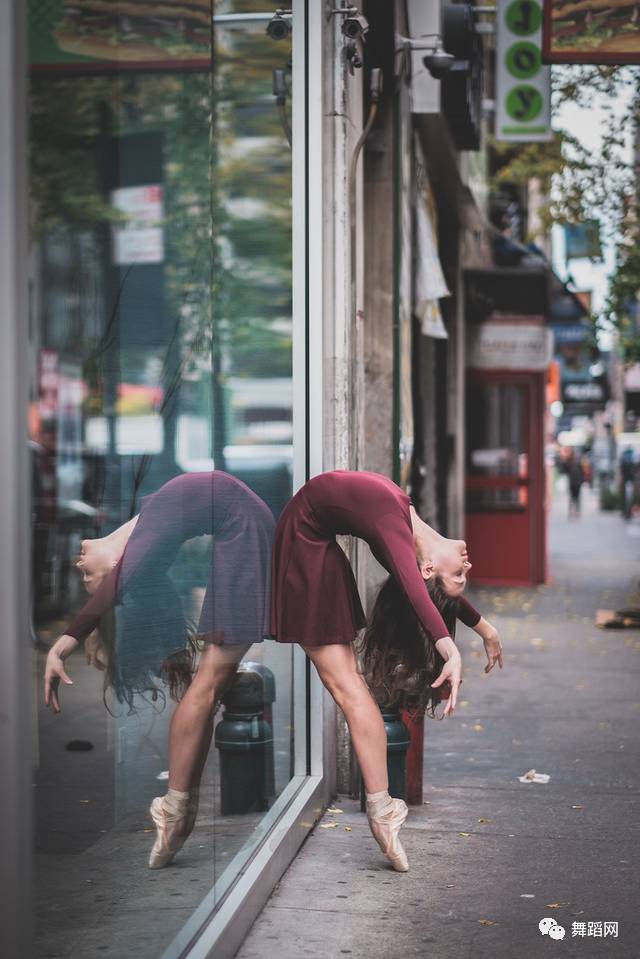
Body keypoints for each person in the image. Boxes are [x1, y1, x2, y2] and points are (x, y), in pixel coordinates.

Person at [269, 470, 503, 872]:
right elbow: (419, 588)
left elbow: (418, 590)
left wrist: (451, 648)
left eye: (459, 575)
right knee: (350, 688)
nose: (468, 565)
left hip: (308, 548)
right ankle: (382, 810)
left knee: (349, 689)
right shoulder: (400, 527)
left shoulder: (397, 534)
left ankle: (382, 810)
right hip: (308, 545)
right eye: (462, 576)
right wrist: (482, 629)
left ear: (428, 568)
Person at [43, 471, 275, 869]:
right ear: (121, 563)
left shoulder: (148, 521)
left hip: (246, 535)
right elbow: (120, 584)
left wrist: (79, 637)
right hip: (245, 538)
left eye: (86, 576)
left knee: (207, 688)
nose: (80, 564)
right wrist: (68, 642)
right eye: (88, 575)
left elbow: (118, 586)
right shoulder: (147, 536)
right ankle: (180, 808)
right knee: (206, 689)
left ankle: (177, 808)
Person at [566, 450, 585, 519]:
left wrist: (582, 480)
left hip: (576, 482)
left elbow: (582, 472)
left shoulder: (576, 462)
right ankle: (573, 512)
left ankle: (575, 512)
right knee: (573, 498)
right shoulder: (570, 462)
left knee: (575, 498)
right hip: (574, 482)